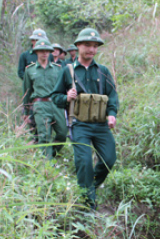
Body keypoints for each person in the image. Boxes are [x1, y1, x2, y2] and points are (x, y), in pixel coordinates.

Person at [51, 28, 118, 210]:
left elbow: (112, 95)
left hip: (101, 124)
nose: (91, 49)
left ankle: (89, 187)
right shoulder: (68, 71)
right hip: (79, 124)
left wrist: (112, 113)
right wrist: (66, 97)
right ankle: (88, 205)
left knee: (109, 159)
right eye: (87, 45)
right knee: (84, 162)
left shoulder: (102, 71)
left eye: (95, 46)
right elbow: (55, 97)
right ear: (78, 46)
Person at [23, 39, 67, 160]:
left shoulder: (57, 69)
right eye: (41, 51)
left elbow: (63, 88)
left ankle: (49, 154)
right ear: (36, 52)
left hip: (56, 105)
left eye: (47, 51)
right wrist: (26, 112)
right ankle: (47, 166)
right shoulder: (30, 70)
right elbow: (27, 92)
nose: (44, 53)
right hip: (40, 105)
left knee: (62, 134)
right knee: (44, 136)